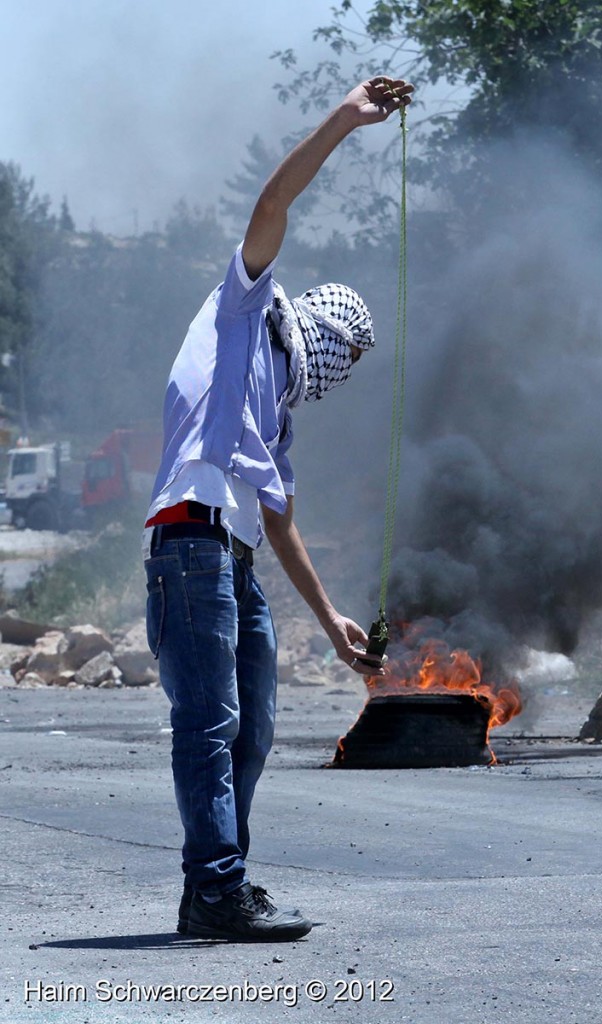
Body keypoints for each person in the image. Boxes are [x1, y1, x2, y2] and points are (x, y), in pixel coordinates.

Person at [143, 75, 413, 942]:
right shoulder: (246, 308)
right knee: (210, 721)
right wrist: (346, 118)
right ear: (324, 333)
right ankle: (214, 890)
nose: (342, 373)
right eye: (349, 356)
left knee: (252, 724)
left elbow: (282, 519)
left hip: (235, 559)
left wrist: (330, 616)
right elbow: (273, 200)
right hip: (192, 541)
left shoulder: (277, 414)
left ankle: (223, 882)